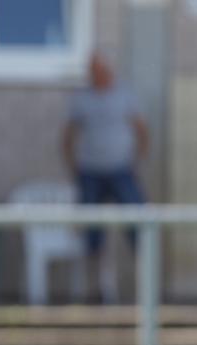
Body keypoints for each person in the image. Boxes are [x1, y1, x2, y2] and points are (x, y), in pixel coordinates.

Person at [63, 53, 149, 301]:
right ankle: (97, 290)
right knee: (91, 232)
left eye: (97, 70)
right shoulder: (81, 99)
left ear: (107, 70)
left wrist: (136, 162)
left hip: (121, 171)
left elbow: (142, 131)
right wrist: (74, 167)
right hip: (90, 172)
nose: (93, 76)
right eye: (91, 71)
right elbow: (68, 136)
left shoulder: (125, 95)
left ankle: (145, 288)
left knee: (138, 224)